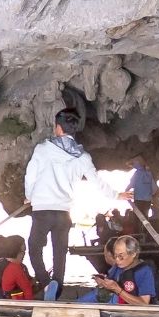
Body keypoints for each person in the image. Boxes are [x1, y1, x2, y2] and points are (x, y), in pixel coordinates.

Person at [23, 109, 128, 300]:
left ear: (58, 128)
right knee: (59, 253)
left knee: (34, 247)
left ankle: (47, 285)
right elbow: (97, 181)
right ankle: (57, 288)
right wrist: (116, 195)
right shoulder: (82, 157)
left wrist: (29, 196)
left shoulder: (43, 149)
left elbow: (31, 176)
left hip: (43, 209)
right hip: (64, 212)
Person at [81, 234, 157, 305]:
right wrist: (103, 283)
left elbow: (144, 303)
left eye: (121, 256)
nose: (117, 260)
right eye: (115, 256)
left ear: (133, 253)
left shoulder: (144, 271)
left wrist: (117, 290)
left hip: (131, 312)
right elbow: (111, 284)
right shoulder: (118, 267)